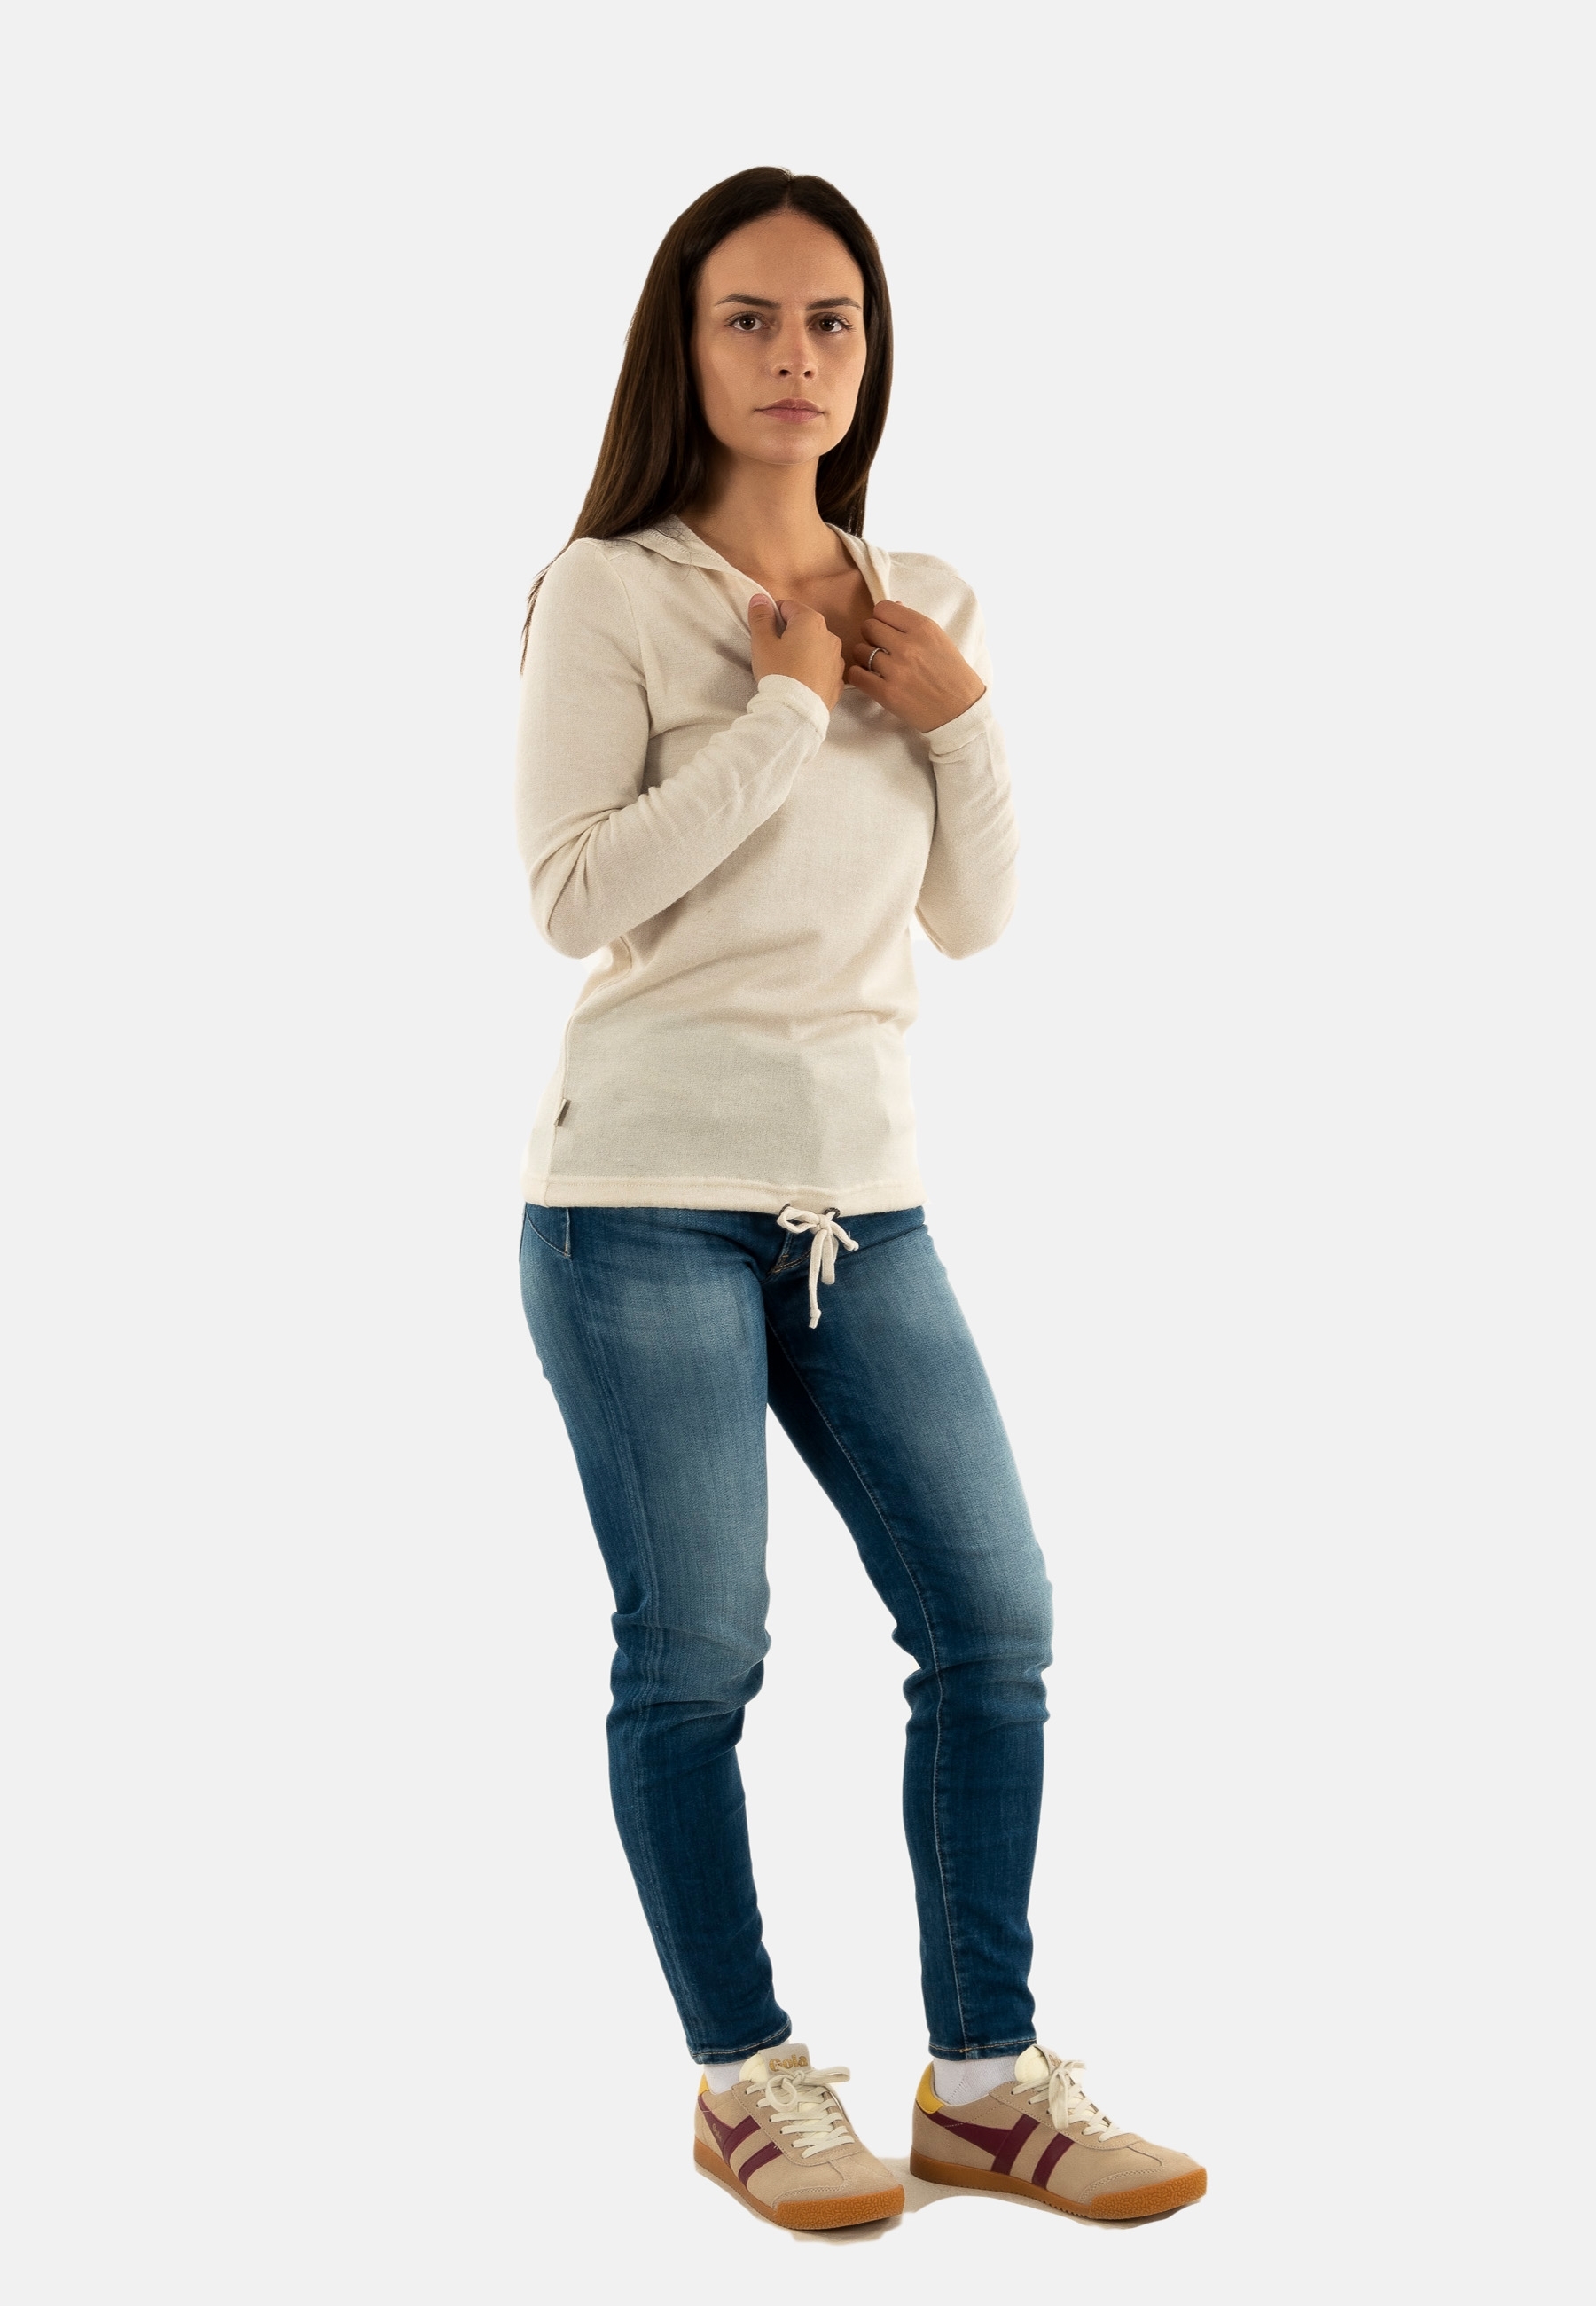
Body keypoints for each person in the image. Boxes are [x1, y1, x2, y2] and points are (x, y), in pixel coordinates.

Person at [515, 166, 1205, 2232]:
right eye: (749, 318)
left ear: (871, 351)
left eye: (831, 319)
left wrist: (958, 719)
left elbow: (971, 918)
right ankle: (746, 2079)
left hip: (865, 1205)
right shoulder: (610, 592)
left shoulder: (933, 599)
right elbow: (573, 895)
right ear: (684, 346)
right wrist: (789, 711)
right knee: (697, 1653)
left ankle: (984, 2085)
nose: (795, 356)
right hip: (639, 1197)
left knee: (995, 1622)